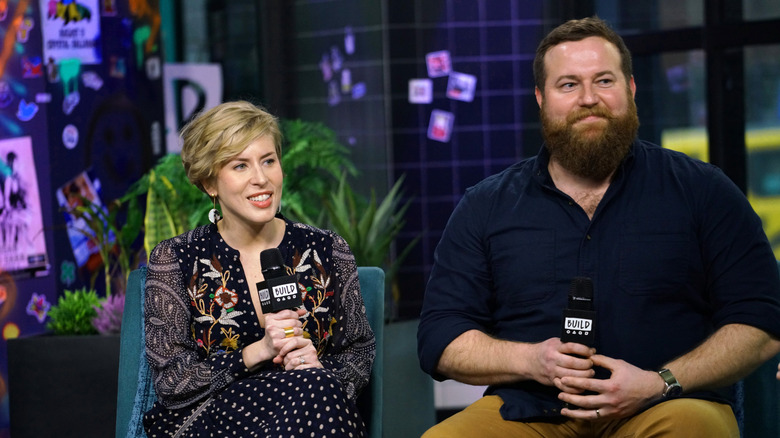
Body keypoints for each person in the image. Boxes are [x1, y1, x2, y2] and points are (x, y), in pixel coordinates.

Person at [417, 16, 780, 437]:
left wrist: (659, 381)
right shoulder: (485, 205)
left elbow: (763, 320)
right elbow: (440, 337)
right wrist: (531, 360)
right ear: (541, 97)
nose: (589, 98)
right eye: (568, 85)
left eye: (604, 81)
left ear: (630, 88)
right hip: (530, 413)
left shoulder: (703, 190)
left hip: (665, 407)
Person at [142, 101, 376, 437]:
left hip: (313, 408)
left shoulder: (326, 249)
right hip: (215, 419)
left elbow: (360, 349)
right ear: (210, 183)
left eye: (268, 161)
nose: (261, 179)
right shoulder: (177, 258)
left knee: (318, 388)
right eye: (240, 166)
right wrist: (257, 352)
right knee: (319, 392)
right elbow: (172, 381)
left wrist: (316, 365)